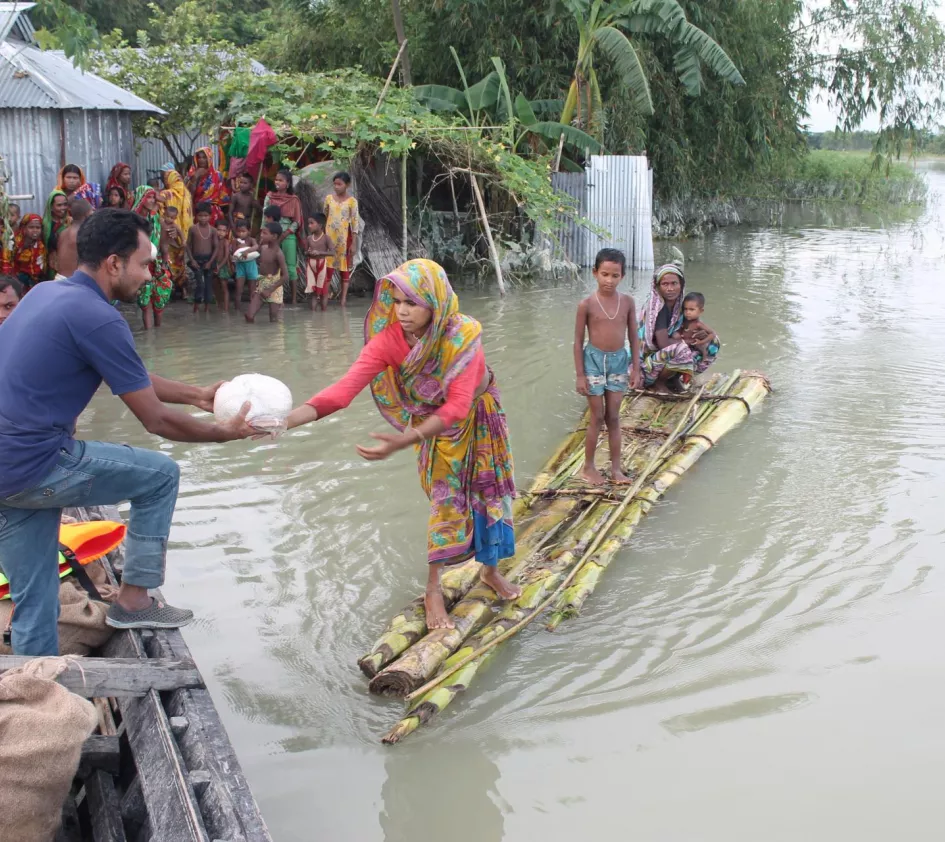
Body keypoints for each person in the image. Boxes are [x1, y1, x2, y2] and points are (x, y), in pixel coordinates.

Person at [0, 209, 259, 656]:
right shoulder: (98, 317)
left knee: (35, 599)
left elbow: (127, 374)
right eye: (144, 264)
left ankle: (36, 680)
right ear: (114, 264)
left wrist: (196, 394)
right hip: (33, 464)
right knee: (160, 476)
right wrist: (224, 432)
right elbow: (156, 420)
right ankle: (134, 601)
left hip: (6, 472)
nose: (149, 275)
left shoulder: (44, 293)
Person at [285, 259, 520, 630]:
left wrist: (403, 440)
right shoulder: (389, 341)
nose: (402, 311)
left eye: (412, 302)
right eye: (396, 302)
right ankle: (433, 589)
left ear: (435, 302)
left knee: (490, 490)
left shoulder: (462, 335)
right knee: (445, 500)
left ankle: (490, 571)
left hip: (478, 414)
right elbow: (343, 392)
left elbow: (458, 405)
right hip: (433, 428)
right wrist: (282, 422)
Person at [574, 248, 643, 485]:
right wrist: (580, 375)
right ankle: (588, 467)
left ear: (622, 276)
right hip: (593, 361)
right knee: (596, 416)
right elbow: (577, 341)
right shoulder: (586, 305)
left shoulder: (628, 303)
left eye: (615, 275)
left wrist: (636, 368)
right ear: (595, 273)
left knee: (613, 416)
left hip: (618, 361)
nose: (609, 280)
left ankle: (616, 469)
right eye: (604, 274)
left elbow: (634, 337)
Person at [638, 264, 718, 392]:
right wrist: (690, 341)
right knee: (682, 349)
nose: (670, 289)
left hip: (668, 355)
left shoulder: (681, 306)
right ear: (657, 287)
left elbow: (691, 328)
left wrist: (699, 335)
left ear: (681, 285)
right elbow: (663, 343)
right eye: (665, 284)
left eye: (674, 283)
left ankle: (673, 379)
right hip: (648, 365)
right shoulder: (658, 309)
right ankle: (659, 382)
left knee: (713, 342)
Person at [133, 186, 173, 329]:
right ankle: (149, 334)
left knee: (159, 299)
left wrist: (165, 261)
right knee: (145, 301)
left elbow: (163, 242)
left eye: (153, 197)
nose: (151, 200)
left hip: (156, 263)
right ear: (141, 198)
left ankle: (156, 334)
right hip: (140, 263)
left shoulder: (156, 218)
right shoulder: (133, 220)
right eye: (148, 197)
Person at [263, 168, 303, 305]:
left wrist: (286, 233)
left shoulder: (294, 199)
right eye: (276, 179)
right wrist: (264, 234)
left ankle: (294, 299)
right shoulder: (269, 197)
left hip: (288, 235)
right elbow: (264, 217)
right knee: (273, 266)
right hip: (272, 235)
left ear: (288, 183)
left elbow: (297, 221)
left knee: (290, 267)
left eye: (281, 180)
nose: (277, 182)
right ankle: (276, 298)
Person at [323, 171, 360, 307]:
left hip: (345, 239)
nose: (336, 187)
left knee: (344, 270)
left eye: (339, 184)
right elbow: (325, 216)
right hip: (329, 239)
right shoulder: (328, 199)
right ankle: (324, 300)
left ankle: (343, 300)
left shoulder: (352, 202)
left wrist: (354, 243)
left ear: (347, 185)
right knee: (327, 270)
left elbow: (355, 223)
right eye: (335, 184)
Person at [245, 222, 287, 323]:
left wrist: (270, 290)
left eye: (265, 233)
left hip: (274, 287)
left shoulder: (278, 254)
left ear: (274, 236)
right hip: (262, 284)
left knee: (273, 319)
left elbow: (285, 276)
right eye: (262, 233)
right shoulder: (263, 248)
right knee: (249, 316)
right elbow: (256, 252)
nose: (261, 235)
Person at [186, 202, 218, 313]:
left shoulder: (213, 230)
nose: (203, 218)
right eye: (200, 215)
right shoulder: (193, 229)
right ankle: (196, 306)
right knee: (199, 284)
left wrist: (210, 262)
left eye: (205, 215)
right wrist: (192, 260)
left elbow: (216, 247)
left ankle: (207, 308)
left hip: (209, 259)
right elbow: (188, 246)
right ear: (196, 216)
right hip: (196, 259)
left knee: (208, 284)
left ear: (210, 216)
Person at [677, 292, 721, 371]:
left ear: (701, 311)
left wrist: (701, 342)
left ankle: (704, 359)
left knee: (702, 349)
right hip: (687, 345)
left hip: (697, 345)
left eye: (691, 309)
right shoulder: (682, 320)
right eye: (685, 309)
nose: (688, 312)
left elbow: (712, 334)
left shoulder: (698, 324)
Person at [186, 146, 229, 225]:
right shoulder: (191, 174)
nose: (201, 160)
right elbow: (188, 194)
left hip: (213, 212)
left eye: (204, 157)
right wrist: (196, 176)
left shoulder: (217, 175)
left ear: (209, 158)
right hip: (198, 211)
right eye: (199, 157)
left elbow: (223, 197)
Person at [53, 198, 93, 279]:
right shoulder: (83, 234)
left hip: (59, 278)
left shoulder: (63, 232)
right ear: (87, 215)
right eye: (92, 213)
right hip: (71, 281)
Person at [303, 213, 334, 311]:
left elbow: (332, 252)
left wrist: (320, 252)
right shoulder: (309, 238)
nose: (309, 225)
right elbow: (305, 252)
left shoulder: (326, 238)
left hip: (321, 265)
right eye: (308, 223)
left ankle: (323, 313)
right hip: (311, 265)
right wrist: (308, 253)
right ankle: (313, 313)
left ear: (320, 225)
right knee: (313, 291)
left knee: (323, 292)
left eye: (311, 223)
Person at [159, 164, 194, 239]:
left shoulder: (165, 194)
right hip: (186, 231)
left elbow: (161, 213)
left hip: (169, 230)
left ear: (169, 180)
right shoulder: (187, 194)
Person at [12, 214, 47, 291]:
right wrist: (22, 248)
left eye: (38, 228)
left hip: (35, 281)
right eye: (31, 227)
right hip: (18, 280)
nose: (35, 230)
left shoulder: (41, 244)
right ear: (24, 228)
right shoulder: (15, 243)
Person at [232, 218, 259, 312]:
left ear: (249, 231)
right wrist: (238, 248)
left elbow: (256, 246)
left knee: (252, 290)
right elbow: (233, 254)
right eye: (239, 231)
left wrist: (247, 250)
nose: (241, 234)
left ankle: (252, 310)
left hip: (251, 266)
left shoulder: (251, 240)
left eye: (243, 231)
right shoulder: (235, 241)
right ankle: (237, 310)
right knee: (239, 290)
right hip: (240, 266)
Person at [162, 204, 187, 294]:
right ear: (164, 215)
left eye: (172, 218)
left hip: (169, 246)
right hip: (161, 245)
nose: (169, 219)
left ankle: (181, 289)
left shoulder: (174, 225)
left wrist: (183, 240)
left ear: (175, 218)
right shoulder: (161, 222)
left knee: (176, 267)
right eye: (168, 217)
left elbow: (180, 233)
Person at [43, 190, 69, 271]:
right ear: (51, 207)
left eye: (65, 204)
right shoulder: (44, 225)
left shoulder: (70, 222)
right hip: (50, 266)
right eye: (59, 205)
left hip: (68, 264)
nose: (63, 208)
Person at [213, 219, 233, 312]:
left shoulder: (226, 242)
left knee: (224, 287)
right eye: (219, 230)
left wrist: (219, 267)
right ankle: (219, 304)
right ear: (215, 230)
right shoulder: (213, 241)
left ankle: (226, 309)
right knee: (215, 287)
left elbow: (226, 256)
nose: (221, 232)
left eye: (224, 231)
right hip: (214, 266)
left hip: (223, 266)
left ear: (227, 232)